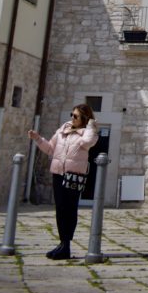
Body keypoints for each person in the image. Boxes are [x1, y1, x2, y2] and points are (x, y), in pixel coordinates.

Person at [28, 103, 98, 259]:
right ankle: (62, 243)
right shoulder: (63, 130)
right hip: (58, 173)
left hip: (73, 175)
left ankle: (66, 245)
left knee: (70, 209)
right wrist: (38, 139)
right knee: (60, 209)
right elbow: (50, 149)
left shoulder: (88, 133)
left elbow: (87, 143)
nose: (72, 118)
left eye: (76, 116)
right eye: (71, 115)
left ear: (84, 118)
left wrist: (91, 126)